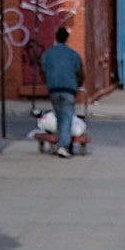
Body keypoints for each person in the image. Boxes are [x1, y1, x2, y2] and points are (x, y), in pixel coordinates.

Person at [40, 27, 84, 159]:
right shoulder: (73, 54)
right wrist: (77, 85)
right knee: (67, 117)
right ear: (67, 38)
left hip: (54, 89)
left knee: (59, 117)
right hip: (69, 89)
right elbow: (80, 73)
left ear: (56, 37)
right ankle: (63, 146)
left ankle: (61, 142)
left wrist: (48, 82)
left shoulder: (47, 54)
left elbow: (43, 71)